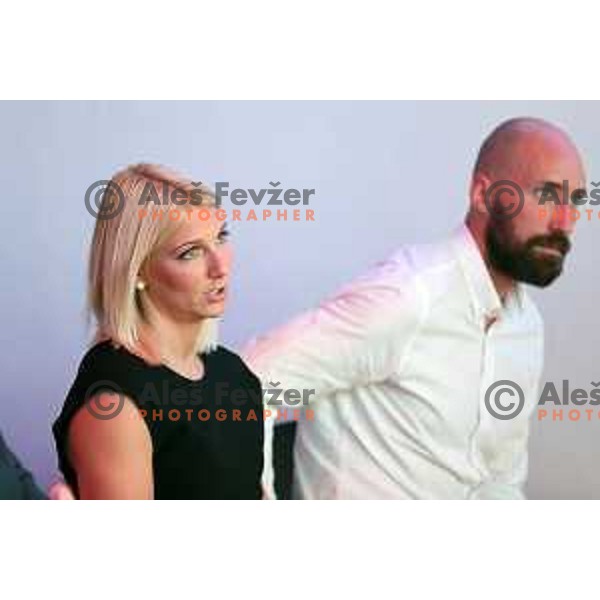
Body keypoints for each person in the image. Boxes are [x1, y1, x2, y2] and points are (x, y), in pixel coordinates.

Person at [243, 117, 586, 499]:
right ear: (482, 195)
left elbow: (499, 479)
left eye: (576, 201)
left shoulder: (526, 325)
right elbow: (247, 383)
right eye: (547, 195)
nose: (565, 221)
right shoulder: (407, 295)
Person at [53, 164, 264, 499]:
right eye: (190, 252)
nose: (220, 267)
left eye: (220, 237)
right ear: (137, 271)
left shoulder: (233, 373)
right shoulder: (115, 404)